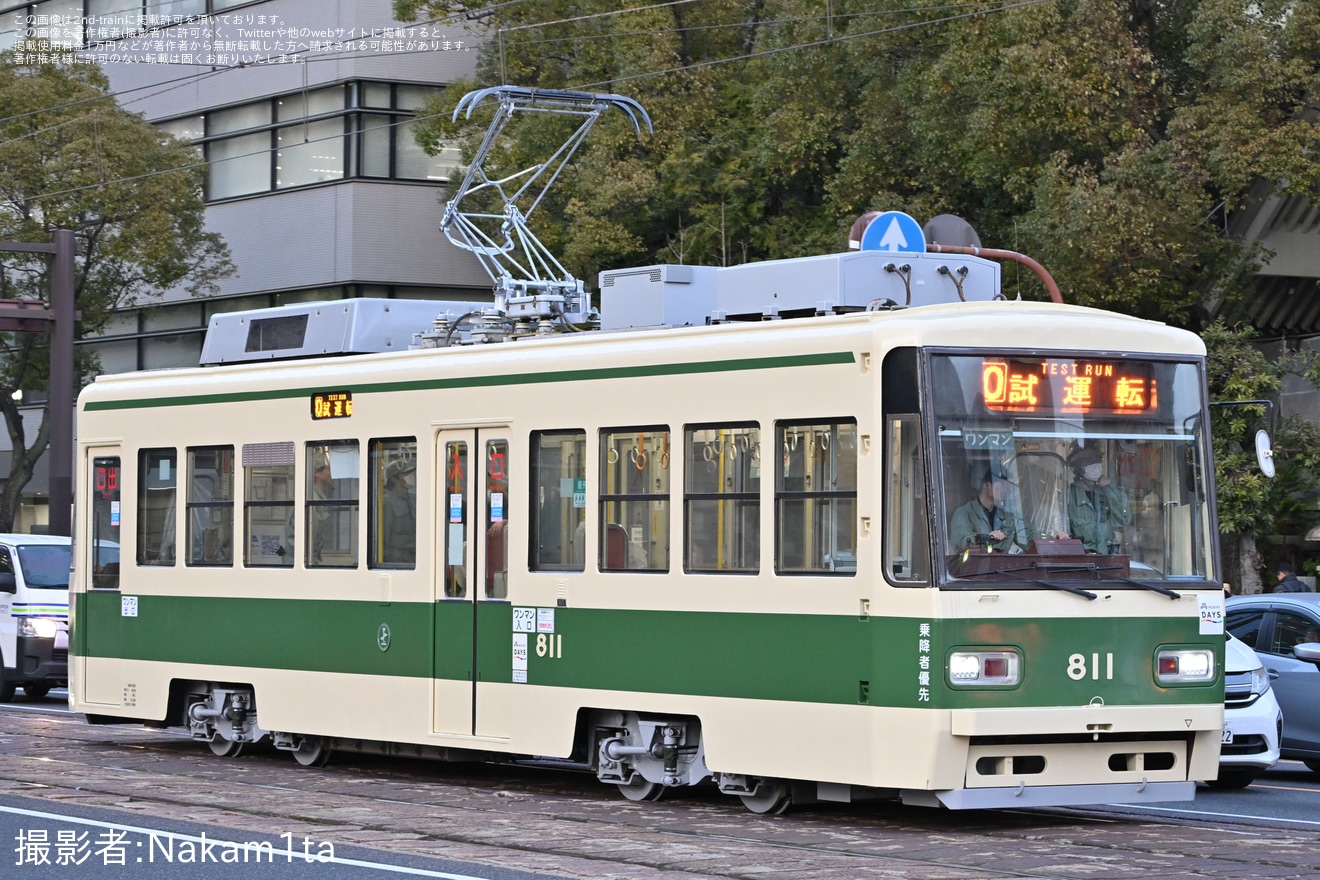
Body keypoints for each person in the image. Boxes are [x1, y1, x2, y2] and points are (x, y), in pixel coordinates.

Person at [949, 467, 1037, 553]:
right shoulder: (964, 513)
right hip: (973, 566)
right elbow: (964, 541)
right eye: (1001, 483)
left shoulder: (1008, 517)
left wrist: (1048, 539)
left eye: (1006, 485)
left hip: (1001, 566)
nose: (1005, 489)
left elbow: (1028, 537)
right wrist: (987, 538)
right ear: (987, 484)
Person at [1066, 446, 1131, 553]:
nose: (1095, 465)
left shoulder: (1106, 492)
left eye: (1097, 460)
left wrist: (1109, 488)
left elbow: (1123, 520)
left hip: (1107, 561)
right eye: (1089, 461)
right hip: (1082, 561)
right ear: (1077, 467)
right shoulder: (1069, 496)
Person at [381, 460, 416, 565]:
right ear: (395, 479)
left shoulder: (414, 499)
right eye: (405, 475)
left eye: (409, 474)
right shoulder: (387, 502)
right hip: (399, 561)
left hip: (416, 558)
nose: (409, 477)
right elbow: (383, 538)